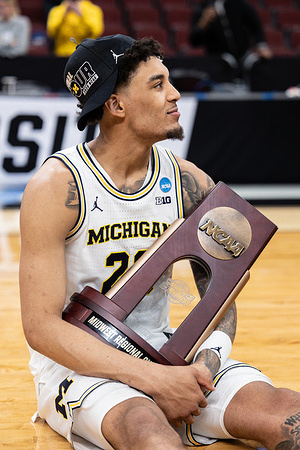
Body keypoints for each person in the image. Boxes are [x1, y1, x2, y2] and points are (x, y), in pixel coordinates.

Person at [19, 34, 300, 450]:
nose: (175, 94)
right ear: (116, 105)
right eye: (157, 84)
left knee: (287, 416)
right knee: (150, 435)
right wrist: (154, 381)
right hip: (81, 366)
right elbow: (41, 328)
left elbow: (219, 299)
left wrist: (204, 365)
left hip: (170, 354)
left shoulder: (189, 180)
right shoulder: (57, 187)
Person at [189, 0, 272, 81]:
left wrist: (261, 45)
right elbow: (194, 41)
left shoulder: (239, 3)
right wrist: (203, 24)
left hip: (244, 54)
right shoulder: (203, 8)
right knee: (218, 69)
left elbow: (255, 25)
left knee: (260, 66)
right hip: (219, 57)